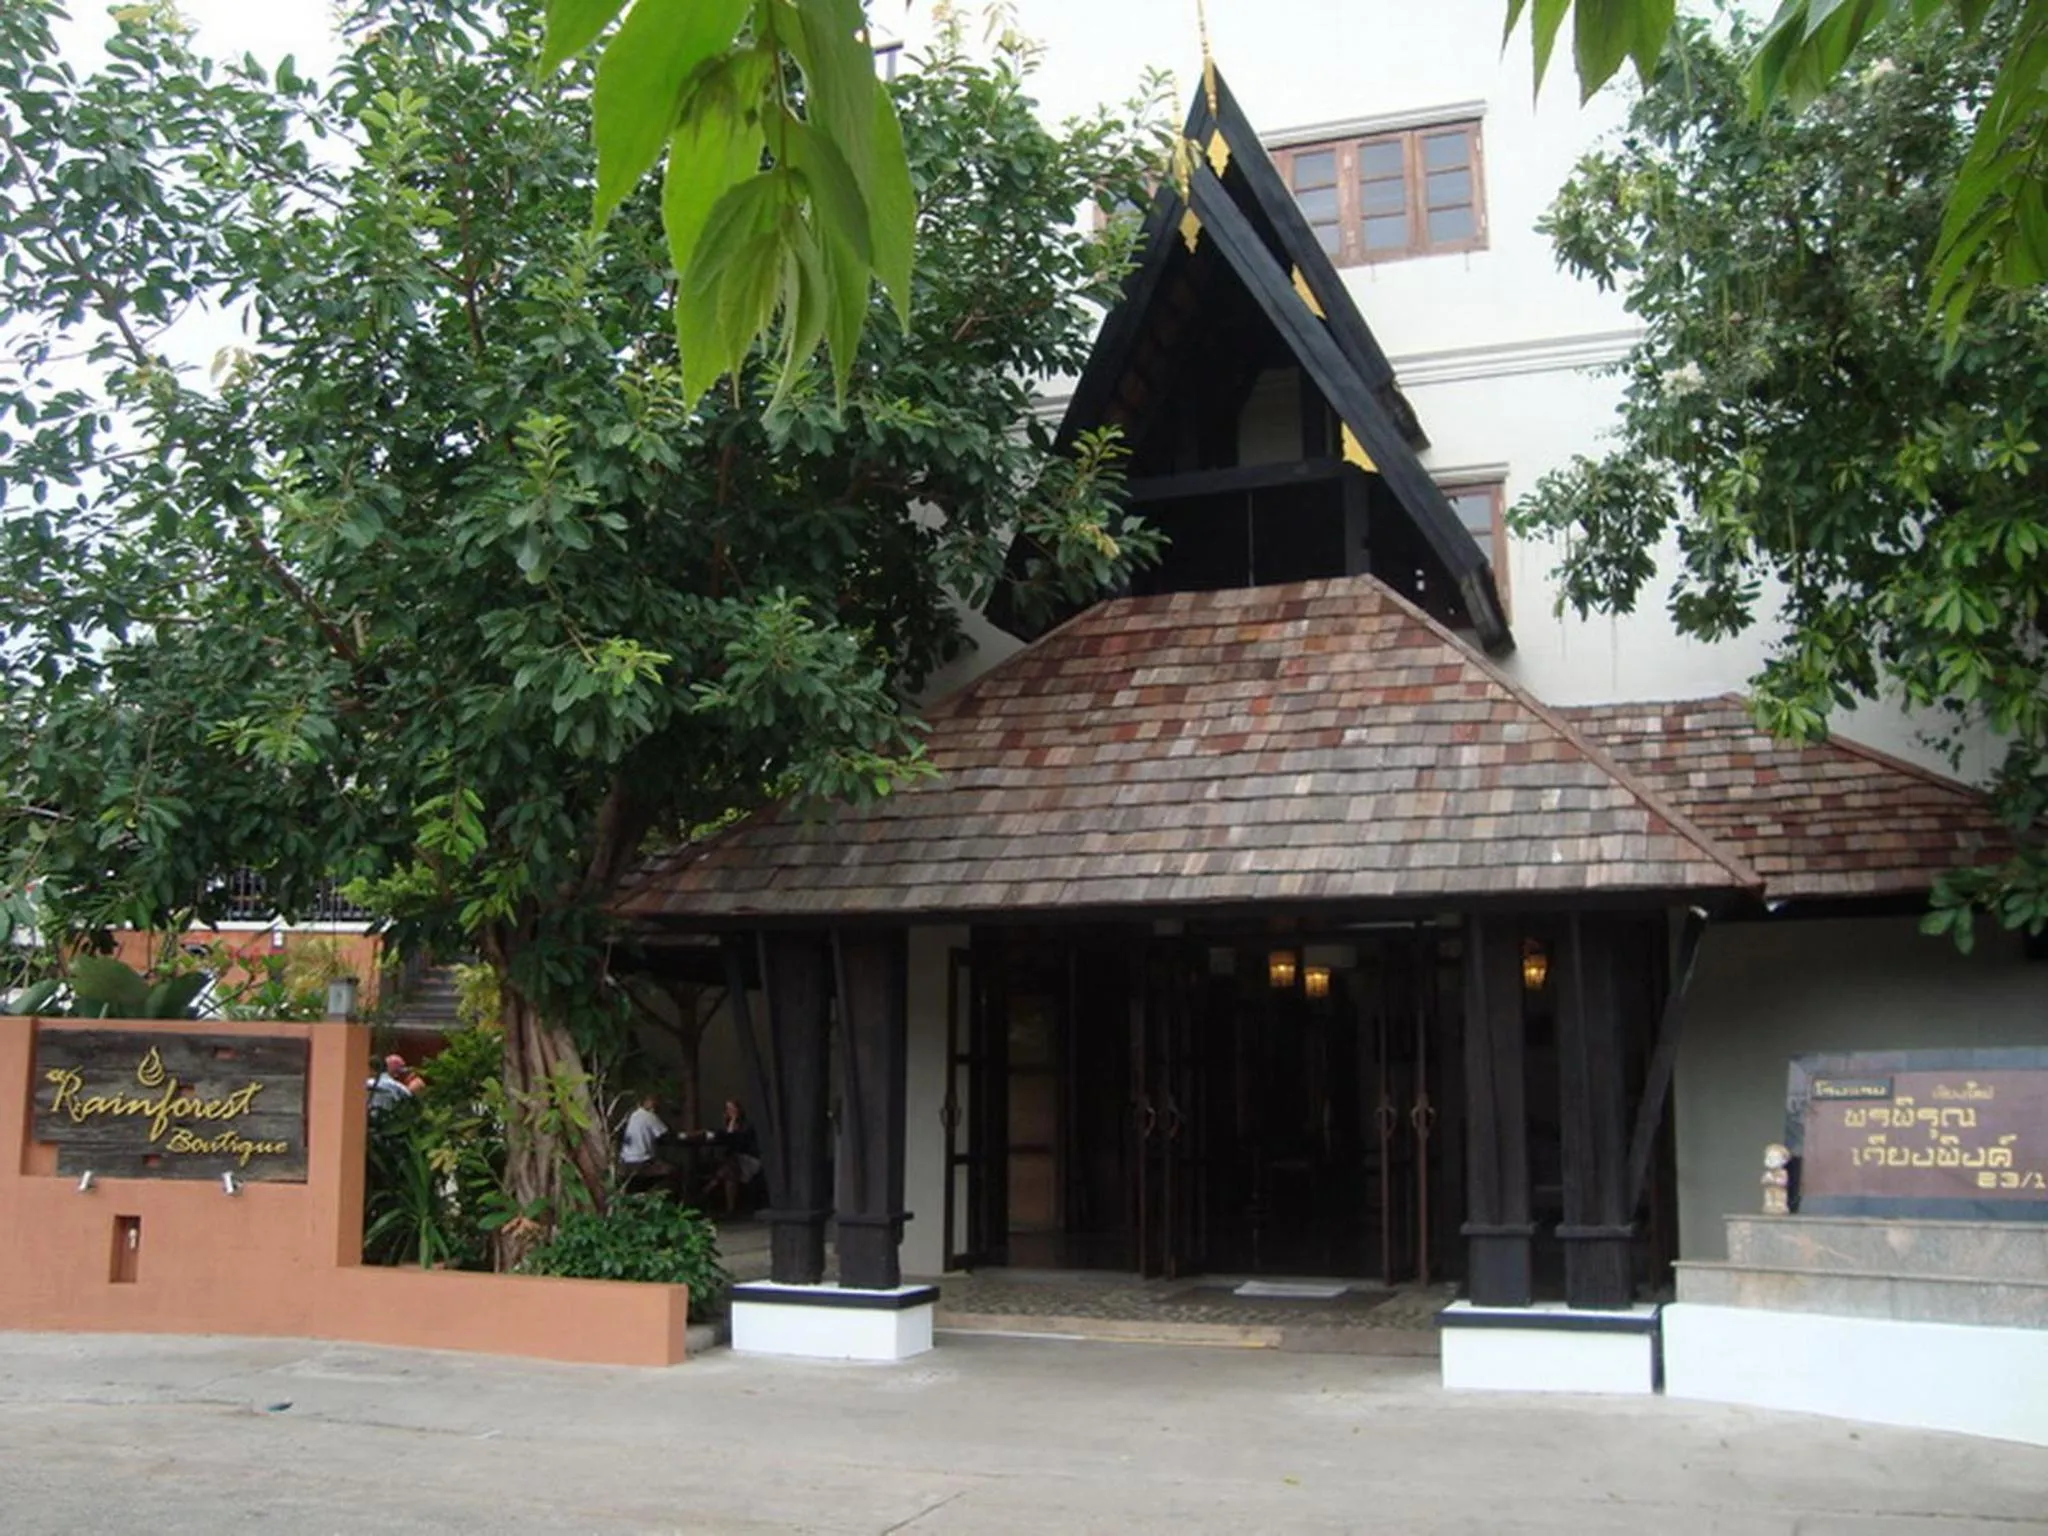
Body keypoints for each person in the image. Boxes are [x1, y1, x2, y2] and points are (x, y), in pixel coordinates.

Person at [705, 1099, 763, 1216]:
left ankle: (709, 1187)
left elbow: (734, 1140)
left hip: (750, 1160)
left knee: (731, 1164)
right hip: (735, 1163)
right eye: (728, 1109)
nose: (730, 1111)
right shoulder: (726, 1126)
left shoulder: (747, 1126)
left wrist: (733, 1120)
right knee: (730, 1171)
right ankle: (730, 1208)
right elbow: (722, 1136)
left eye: (732, 1108)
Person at [619, 1092, 672, 1197]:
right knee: (672, 1171)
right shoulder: (649, 1116)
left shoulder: (634, 1115)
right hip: (642, 1162)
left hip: (625, 1161)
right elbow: (666, 1135)